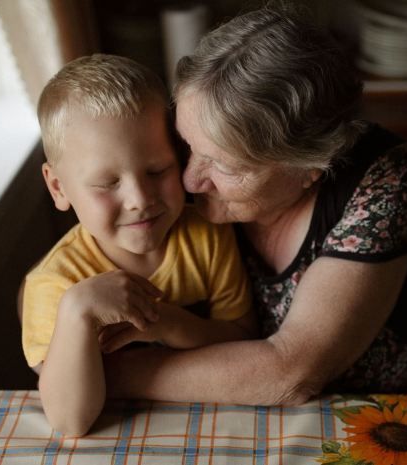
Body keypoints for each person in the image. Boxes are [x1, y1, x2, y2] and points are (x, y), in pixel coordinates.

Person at [100, 5, 407, 404]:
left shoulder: (382, 175)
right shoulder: (170, 166)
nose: (190, 180)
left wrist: (102, 376)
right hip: (215, 407)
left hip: (376, 412)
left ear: (310, 168)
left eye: (226, 166)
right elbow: (78, 256)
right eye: (188, 146)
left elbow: (291, 375)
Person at [21, 54, 256, 436]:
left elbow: (244, 338)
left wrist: (164, 322)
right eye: (107, 183)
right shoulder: (57, 282)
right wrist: (78, 310)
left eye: (157, 171)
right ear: (58, 187)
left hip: (217, 426)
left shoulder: (209, 236)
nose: (139, 198)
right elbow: (70, 421)